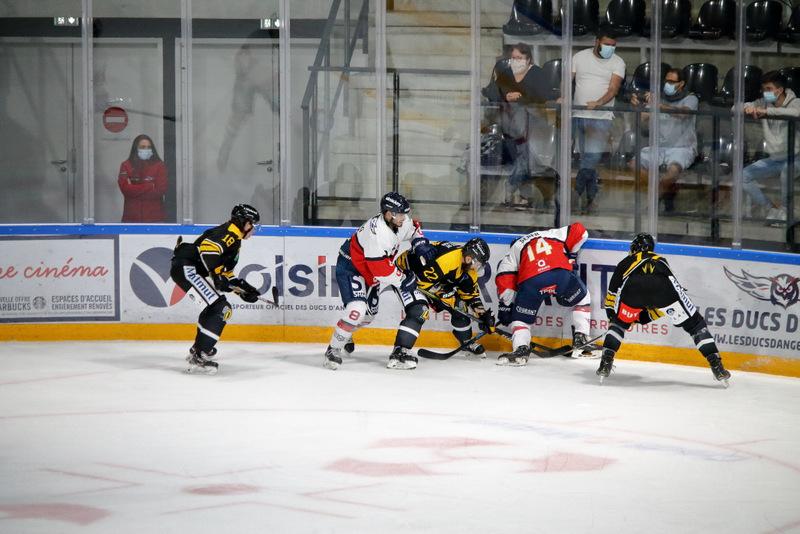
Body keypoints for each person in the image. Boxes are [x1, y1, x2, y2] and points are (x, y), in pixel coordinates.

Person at [597, 233, 731, 385]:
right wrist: (643, 319)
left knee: (618, 325)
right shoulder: (661, 260)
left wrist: (614, 319)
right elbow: (665, 305)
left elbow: (612, 295)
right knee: (695, 324)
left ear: (634, 248)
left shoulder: (626, 261)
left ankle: (605, 363)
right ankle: (717, 365)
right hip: (663, 287)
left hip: (632, 288)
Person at [324, 192, 429, 371]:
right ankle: (333, 349)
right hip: (351, 266)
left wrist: (419, 242)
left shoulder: (399, 221)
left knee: (368, 316)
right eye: (400, 214)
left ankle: (346, 332)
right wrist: (403, 279)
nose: (404, 218)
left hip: (370, 269)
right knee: (357, 310)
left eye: (405, 214)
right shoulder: (378, 233)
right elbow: (381, 270)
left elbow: (413, 229)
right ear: (388, 214)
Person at [170, 204, 261, 374]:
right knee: (221, 308)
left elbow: (225, 273)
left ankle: (199, 347)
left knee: (214, 307)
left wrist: (243, 290)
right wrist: (217, 275)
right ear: (243, 222)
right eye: (252, 224)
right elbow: (208, 249)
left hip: (188, 268)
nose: (253, 229)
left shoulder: (234, 238)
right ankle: (200, 354)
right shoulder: (230, 233)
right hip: (187, 268)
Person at [494, 222, 593, 366]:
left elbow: (504, 279)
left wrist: (507, 307)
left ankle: (521, 350)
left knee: (520, 321)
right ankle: (581, 340)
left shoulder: (515, 248)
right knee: (583, 298)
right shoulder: (552, 233)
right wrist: (572, 255)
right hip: (560, 274)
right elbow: (581, 231)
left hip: (531, 282)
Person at [393, 238, 495, 358]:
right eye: (478, 263)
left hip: (431, 281)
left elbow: (470, 296)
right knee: (419, 311)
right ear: (469, 258)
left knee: (460, 307)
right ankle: (399, 352)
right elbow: (421, 283)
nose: (478, 267)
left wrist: (483, 314)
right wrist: (444, 296)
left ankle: (466, 342)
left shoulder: (469, 271)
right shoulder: (447, 260)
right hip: (405, 275)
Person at [483, 43, 550, 208]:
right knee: (521, 160)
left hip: (531, 126)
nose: (515, 61)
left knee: (525, 159)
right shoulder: (506, 73)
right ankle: (524, 197)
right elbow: (491, 92)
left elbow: (544, 94)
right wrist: (506, 95)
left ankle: (510, 187)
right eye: (513, 57)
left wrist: (520, 96)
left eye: (519, 58)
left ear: (528, 59)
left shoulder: (537, 73)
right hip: (509, 126)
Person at [571, 28, 626, 214]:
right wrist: (563, 96)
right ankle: (591, 201)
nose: (610, 48)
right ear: (597, 41)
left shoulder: (618, 62)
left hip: (601, 118)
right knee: (588, 160)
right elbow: (567, 80)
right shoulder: (579, 57)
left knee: (591, 158)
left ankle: (575, 195)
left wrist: (598, 103)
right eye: (607, 44)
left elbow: (613, 89)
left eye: (613, 45)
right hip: (579, 115)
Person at [630, 68, 699, 213]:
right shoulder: (657, 97)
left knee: (673, 171)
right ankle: (664, 190)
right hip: (658, 147)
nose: (668, 84)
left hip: (682, 147)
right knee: (633, 164)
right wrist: (638, 105)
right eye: (667, 81)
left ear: (681, 84)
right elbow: (641, 120)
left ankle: (653, 203)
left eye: (672, 82)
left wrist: (660, 106)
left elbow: (683, 114)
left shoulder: (691, 98)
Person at [742, 71, 800, 224]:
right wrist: (747, 108)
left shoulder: (796, 102)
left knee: (787, 171)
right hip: (775, 159)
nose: (765, 93)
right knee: (743, 176)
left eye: (768, 89)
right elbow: (734, 108)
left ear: (779, 90)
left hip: (796, 158)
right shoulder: (763, 102)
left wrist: (767, 112)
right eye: (763, 89)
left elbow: (796, 112)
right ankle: (771, 208)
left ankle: (786, 211)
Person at [117, 134, 168, 222]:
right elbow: (125, 189)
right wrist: (149, 186)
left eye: (149, 147)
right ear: (136, 148)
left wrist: (134, 189)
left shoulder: (160, 166)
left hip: (155, 219)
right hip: (131, 219)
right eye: (142, 147)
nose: (146, 150)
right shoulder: (126, 165)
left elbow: (160, 190)